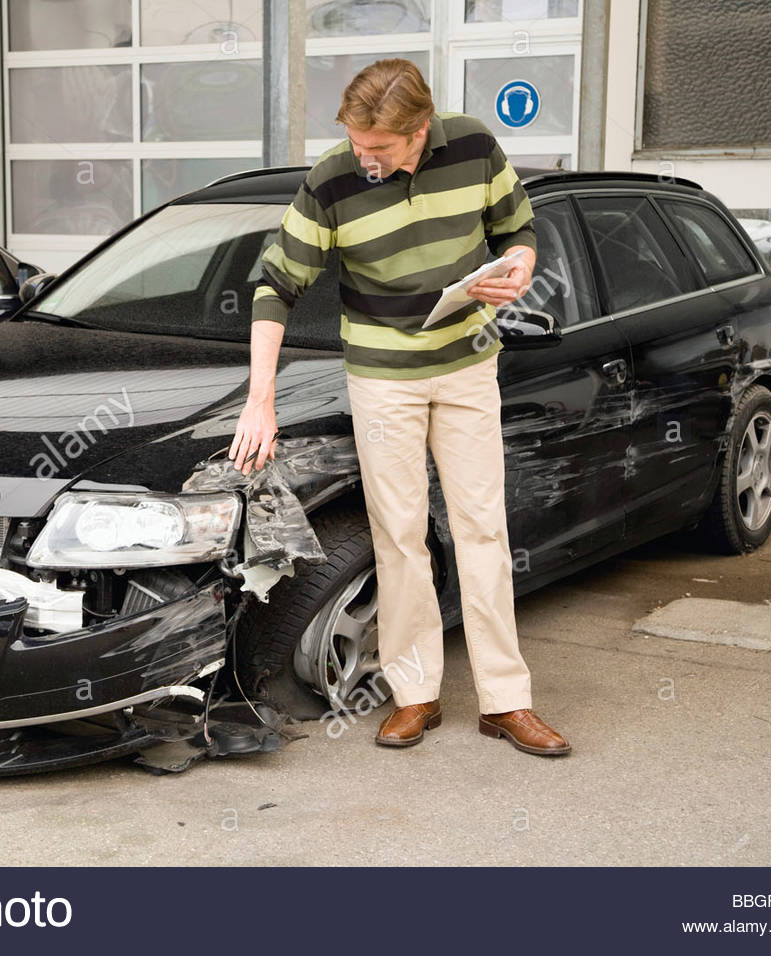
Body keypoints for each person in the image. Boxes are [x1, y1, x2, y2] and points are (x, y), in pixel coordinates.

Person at [229, 59, 570, 757]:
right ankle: (416, 695)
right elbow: (274, 284)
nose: (364, 156)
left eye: (379, 147)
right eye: (356, 141)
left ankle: (507, 701)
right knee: (400, 535)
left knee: (483, 531)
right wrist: (258, 399)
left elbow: (519, 228)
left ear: (421, 133)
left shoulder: (473, 145)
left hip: (469, 367)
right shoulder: (331, 179)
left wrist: (520, 268)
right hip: (383, 379)